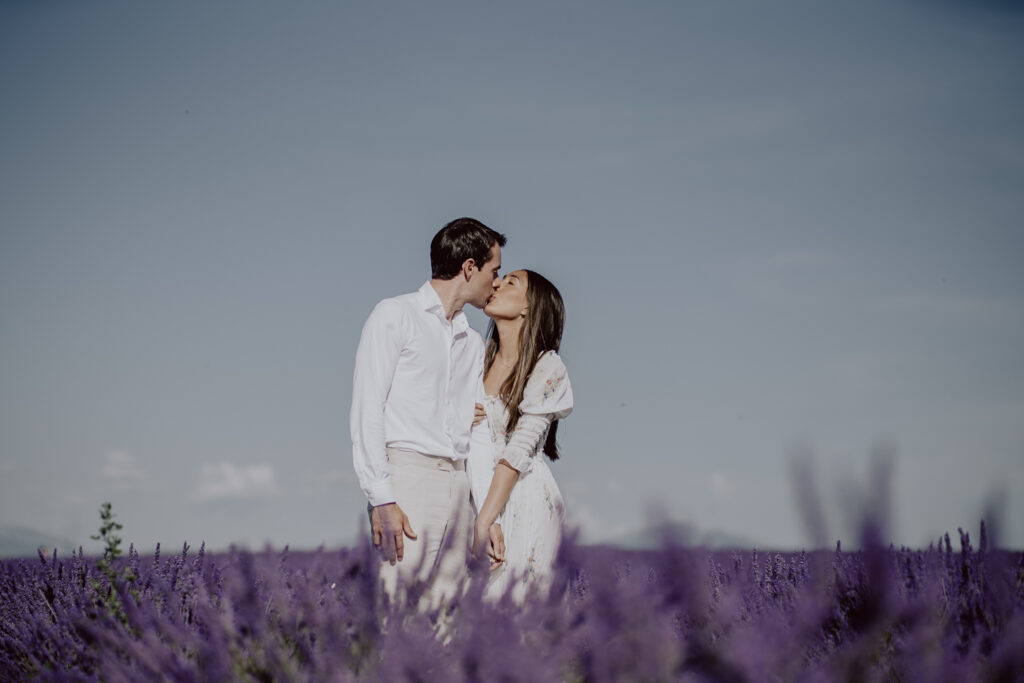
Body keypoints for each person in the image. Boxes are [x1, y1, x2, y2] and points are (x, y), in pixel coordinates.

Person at [350, 217, 507, 607]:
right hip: (409, 481)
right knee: (395, 614)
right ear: (470, 268)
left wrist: (487, 515)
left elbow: (479, 436)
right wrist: (383, 497)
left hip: (459, 487)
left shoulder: (471, 342)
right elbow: (368, 408)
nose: (497, 282)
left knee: (448, 624)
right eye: (494, 271)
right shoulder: (394, 315)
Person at [469, 269, 573, 603]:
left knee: (515, 614)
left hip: (521, 498)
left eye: (511, 282)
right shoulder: (475, 360)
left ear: (530, 307)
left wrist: (485, 520)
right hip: (476, 492)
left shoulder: (547, 367)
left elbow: (518, 451)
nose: (497, 283)